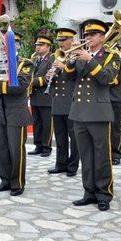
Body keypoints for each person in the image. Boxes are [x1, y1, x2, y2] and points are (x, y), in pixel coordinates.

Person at [64, 19, 119, 212]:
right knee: (85, 156)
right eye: (86, 35)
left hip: (98, 113)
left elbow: (107, 78)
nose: (88, 38)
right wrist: (70, 62)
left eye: (92, 35)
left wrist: (90, 59)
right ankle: (89, 192)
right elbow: (69, 77)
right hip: (79, 112)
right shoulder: (79, 55)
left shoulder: (111, 55)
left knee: (102, 156)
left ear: (102, 37)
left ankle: (104, 194)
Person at [0, 31, 33, 196]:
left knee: (16, 150)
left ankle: (17, 182)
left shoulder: (25, 64)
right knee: (1, 149)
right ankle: (5, 180)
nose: (2, 47)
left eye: (4, 44)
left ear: (14, 45)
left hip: (16, 113)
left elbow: (21, 86)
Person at [46, 28, 79, 177]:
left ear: (72, 40)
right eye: (59, 40)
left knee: (74, 138)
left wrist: (64, 67)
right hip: (58, 101)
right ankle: (60, 163)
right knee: (60, 137)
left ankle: (72, 166)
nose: (61, 43)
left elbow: (77, 76)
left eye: (63, 40)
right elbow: (54, 81)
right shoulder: (57, 56)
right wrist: (49, 77)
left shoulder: (77, 55)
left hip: (71, 101)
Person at [28, 35, 55, 157]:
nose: (38, 47)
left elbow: (49, 78)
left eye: (41, 45)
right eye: (37, 45)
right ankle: (38, 145)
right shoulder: (34, 59)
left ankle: (46, 147)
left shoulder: (52, 59)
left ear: (48, 47)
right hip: (35, 96)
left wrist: (31, 82)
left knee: (47, 123)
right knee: (37, 122)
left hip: (46, 96)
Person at [109, 47, 121, 166]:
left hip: (116, 95)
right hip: (103, 96)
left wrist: (111, 81)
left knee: (116, 127)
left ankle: (116, 154)